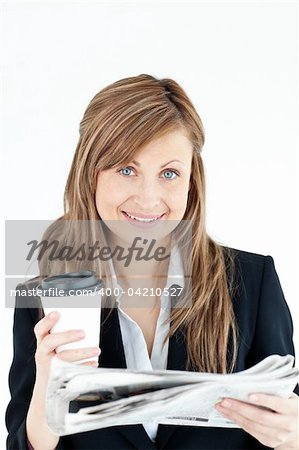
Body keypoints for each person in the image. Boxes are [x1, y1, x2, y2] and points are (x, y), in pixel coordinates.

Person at [6, 74, 299, 450]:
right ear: (90, 174)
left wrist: (292, 436)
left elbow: (284, 423)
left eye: (169, 173)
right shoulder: (47, 295)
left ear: (191, 181)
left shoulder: (251, 283)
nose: (148, 199)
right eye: (126, 170)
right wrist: (47, 393)